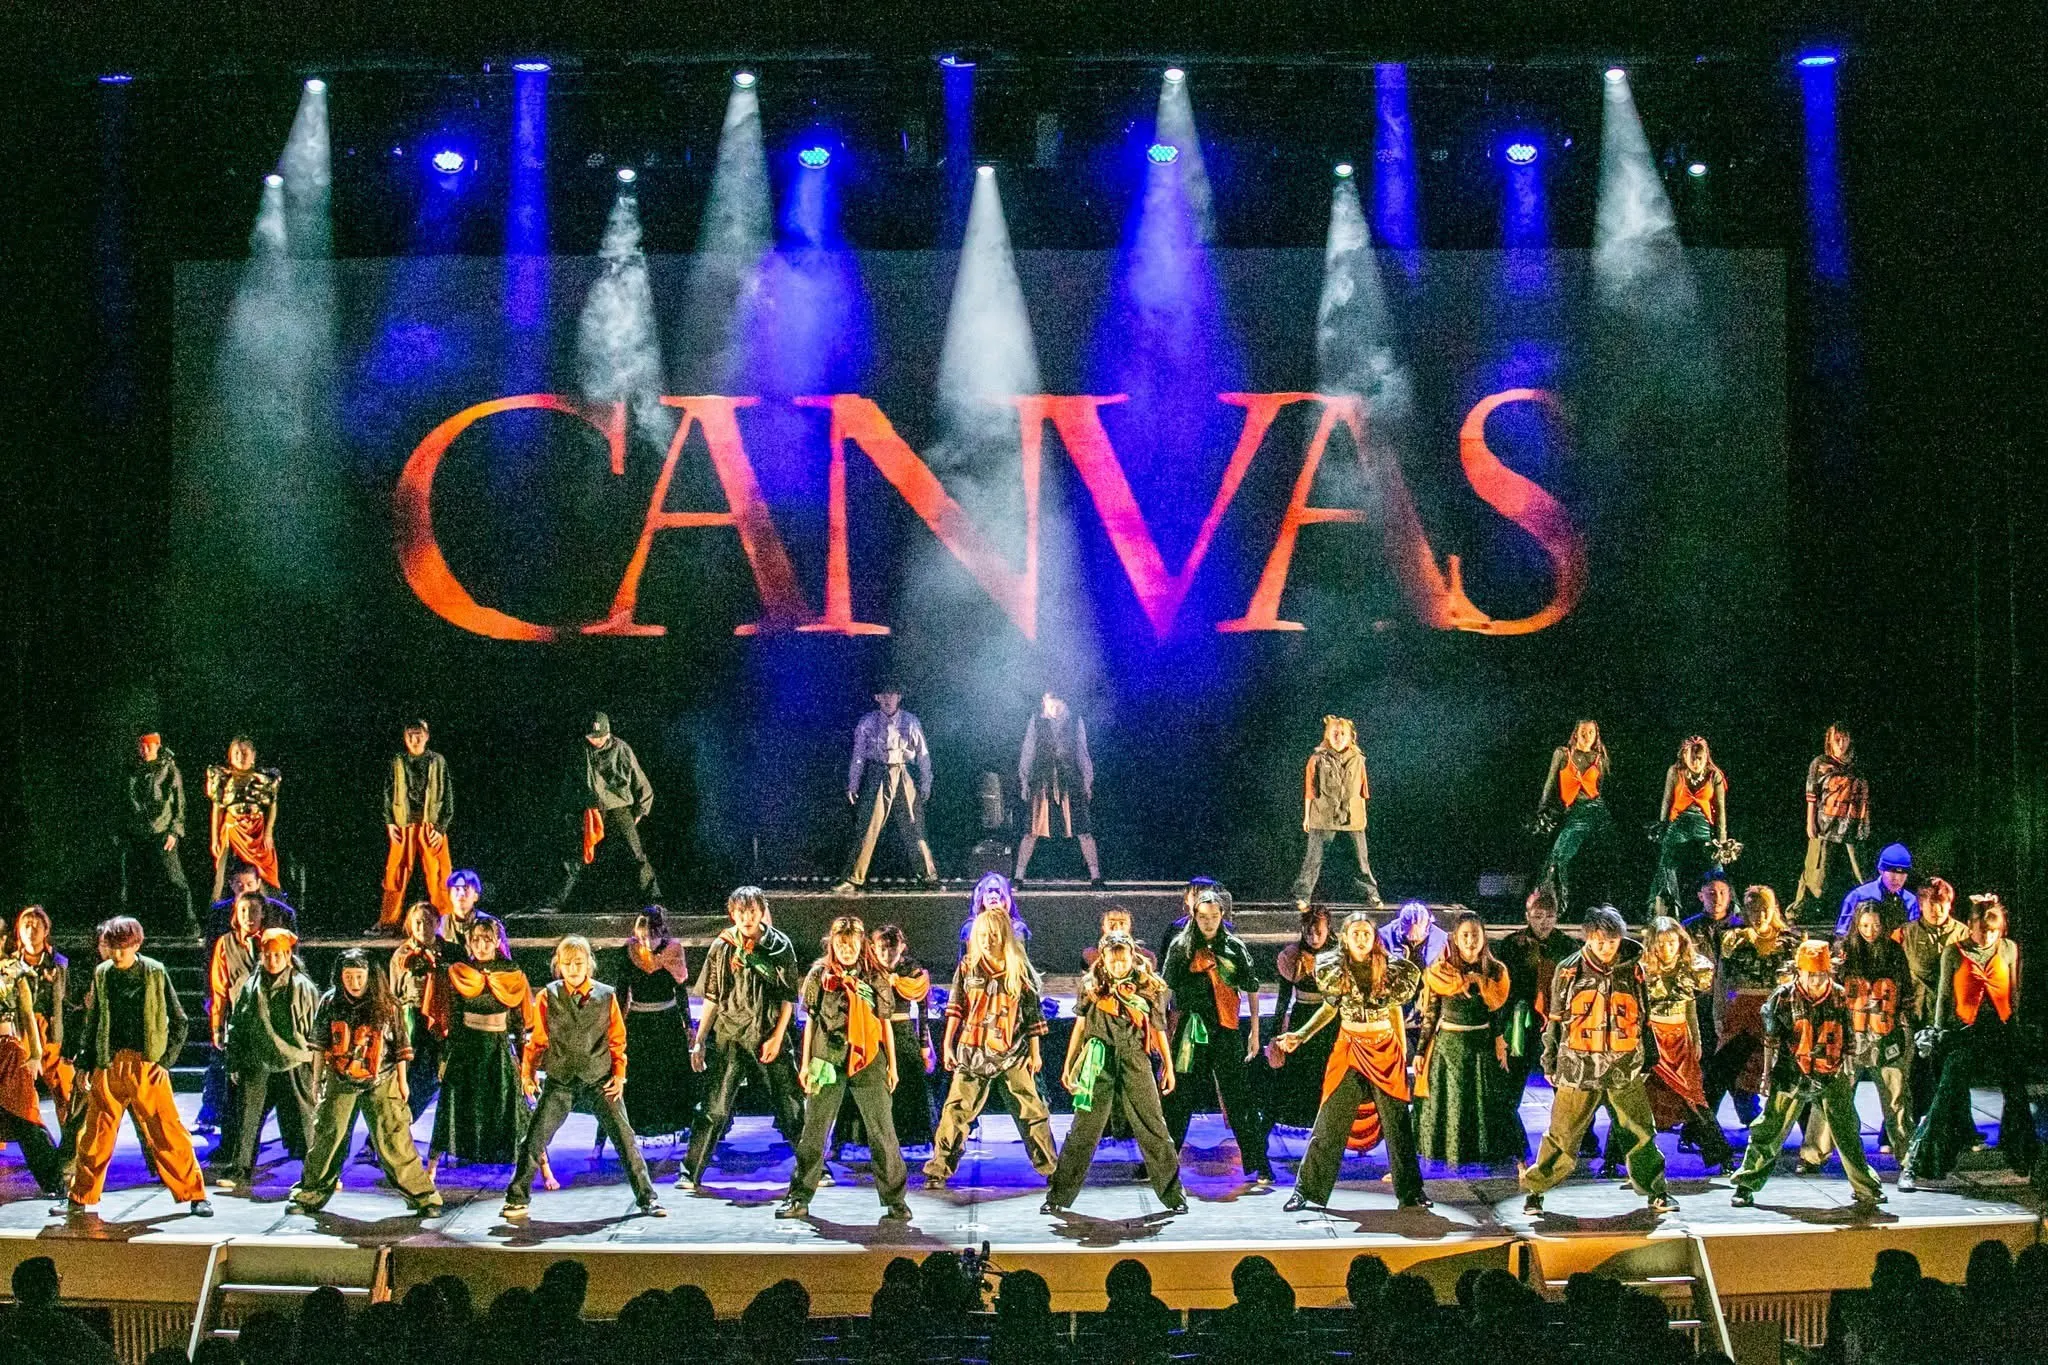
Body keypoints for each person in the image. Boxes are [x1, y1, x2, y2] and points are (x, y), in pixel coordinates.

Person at [1519, 906, 1675, 1217]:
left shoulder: (1634, 970)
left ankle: (1656, 1190)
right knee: (1562, 1134)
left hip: (1623, 1067)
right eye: (1599, 941)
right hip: (1579, 1068)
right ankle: (1535, 1191)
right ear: (1588, 938)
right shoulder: (1568, 970)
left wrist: (1649, 1057)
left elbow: (1644, 1017)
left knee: (1640, 1132)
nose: (1606, 948)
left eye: (1612, 942)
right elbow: (1555, 1019)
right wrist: (1549, 1061)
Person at [1274, 911, 1428, 1211]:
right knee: (1329, 1121)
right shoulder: (1334, 968)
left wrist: (1401, 1050)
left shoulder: (1390, 969)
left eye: (1366, 933)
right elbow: (1329, 1009)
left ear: (1374, 938)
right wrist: (1300, 1035)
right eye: (1355, 933)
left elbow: (1395, 1010)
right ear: (1344, 937)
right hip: (1350, 1050)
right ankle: (1306, 1190)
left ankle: (1412, 1191)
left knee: (1398, 1125)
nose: (1361, 938)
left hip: (1384, 1051)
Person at [58, 916, 212, 1216]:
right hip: (109, 1063)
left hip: (145, 1064)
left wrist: (164, 1062)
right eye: (112, 947)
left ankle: (195, 1194)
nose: (117, 954)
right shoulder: (103, 973)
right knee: (95, 1134)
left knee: (167, 1132)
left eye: (123, 948)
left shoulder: (154, 972)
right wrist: (86, 1063)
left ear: (136, 945)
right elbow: (94, 1021)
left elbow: (180, 1020)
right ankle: (80, 1196)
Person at [504, 936, 664, 1219]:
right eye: (567, 963)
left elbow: (617, 1040)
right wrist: (528, 1074)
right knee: (534, 1139)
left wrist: (619, 1075)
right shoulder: (548, 996)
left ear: (589, 963)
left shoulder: (606, 996)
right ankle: (517, 1198)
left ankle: (647, 1198)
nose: (573, 968)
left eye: (578, 962)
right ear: (559, 965)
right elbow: (537, 1041)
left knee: (625, 1140)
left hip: (599, 1078)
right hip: (561, 1079)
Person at [1729, 940, 1885, 1209]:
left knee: (1847, 1131)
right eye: (1810, 974)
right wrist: (1766, 1075)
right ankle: (1746, 1183)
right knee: (1770, 1129)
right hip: (1792, 1072)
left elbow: (1847, 1034)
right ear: (1799, 971)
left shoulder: (1838, 995)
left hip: (1831, 1071)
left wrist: (1847, 1066)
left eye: (1821, 974)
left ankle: (1866, 1187)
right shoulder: (1783, 997)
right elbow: (1771, 1040)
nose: (1816, 980)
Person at [288, 948, 442, 1214]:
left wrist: (403, 1082)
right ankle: (309, 1193)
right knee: (328, 1136)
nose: (354, 983)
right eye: (348, 976)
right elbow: (319, 1045)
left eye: (359, 976)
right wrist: (317, 1080)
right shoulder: (330, 1002)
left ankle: (424, 1197)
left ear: (369, 976)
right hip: (340, 1077)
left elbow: (401, 1047)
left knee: (394, 1139)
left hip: (382, 1077)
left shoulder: (387, 1005)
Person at [778, 916, 911, 1221]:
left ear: (861, 944)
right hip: (827, 1058)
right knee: (814, 1132)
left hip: (868, 1059)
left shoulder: (875, 976)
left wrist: (892, 1065)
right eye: (841, 945)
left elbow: (885, 1023)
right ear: (832, 944)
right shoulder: (819, 975)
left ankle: (896, 1200)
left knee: (883, 1133)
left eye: (851, 945)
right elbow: (811, 1021)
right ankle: (799, 1196)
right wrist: (805, 1064)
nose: (846, 950)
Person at [1044, 930, 1185, 1216]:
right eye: (1113, 960)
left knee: (1154, 1128)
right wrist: (1069, 1064)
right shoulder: (1091, 986)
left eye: (1124, 959)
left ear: (1133, 957)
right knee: (1083, 1131)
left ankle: (1174, 1196)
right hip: (1099, 1060)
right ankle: (1058, 1195)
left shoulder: (1148, 986)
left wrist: (1168, 1066)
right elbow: (1080, 1026)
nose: (1119, 965)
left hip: (1135, 1060)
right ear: (1103, 959)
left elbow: (1159, 1029)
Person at [1900, 895, 2036, 1188]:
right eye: (1982, 930)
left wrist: (2016, 1030)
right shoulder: (1954, 952)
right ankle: (1923, 1160)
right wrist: (1938, 1033)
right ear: (1971, 926)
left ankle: (2021, 1155)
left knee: (2016, 1089)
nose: (1987, 936)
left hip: (1999, 1030)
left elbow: (2014, 992)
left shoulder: (2009, 948)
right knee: (1948, 1088)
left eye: (1993, 931)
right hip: (1964, 1032)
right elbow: (1944, 996)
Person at [925, 904, 1058, 1187]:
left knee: (1032, 1111)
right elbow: (955, 1008)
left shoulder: (1019, 969)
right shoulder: (968, 967)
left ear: (1004, 936)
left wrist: (1035, 1053)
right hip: (973, 1050)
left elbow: (1033, 1014)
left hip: (1012, 1051)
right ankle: (938, 1169)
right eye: (983, 935)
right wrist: (947, 1044)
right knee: (956, 1112)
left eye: (993, 935)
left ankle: (1050, 1167)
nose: (987, 941)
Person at [682, 887, 804, 1189]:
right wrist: (700, 1039)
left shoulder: (779, 945)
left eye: (752, 911)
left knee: (789, 1104)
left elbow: (788, 997)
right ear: (732, 913)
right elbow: (712, 996)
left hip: (768, 1033)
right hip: (731, 1035)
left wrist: (778, 1037)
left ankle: (813, 1168)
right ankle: (691, 1171)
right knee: (714, 1106)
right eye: (741, 912)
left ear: (762, 912)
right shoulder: (722, 946)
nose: (747, 918)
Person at [1161, 885, 1273, 1186]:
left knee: (1239, 1099)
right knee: (1180, 1098)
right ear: (1194, 916)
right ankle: (1162, 1163)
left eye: (1213, 916)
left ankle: (1259, 1163)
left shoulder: (1234, 947)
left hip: (1226, 1030)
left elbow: (1251, 988)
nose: (1208, 922)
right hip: (1191, 1030)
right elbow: (1166, 990)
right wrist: (1161, 1030)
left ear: (1222, 915)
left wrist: (1254, 1033)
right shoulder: (1181, 947)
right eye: (1203, 917)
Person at [1802, 903, 1913, 1168]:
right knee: (1830, 1096)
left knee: (1896, 1099)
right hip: (1847, 1037)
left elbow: (1905, 994)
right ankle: (1812, 1154)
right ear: (1856, 925)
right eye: (1864, 925)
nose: (1870, 931)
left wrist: (1904, 1028)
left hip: (1885, 1035)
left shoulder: (1894, 952)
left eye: (1875, 925)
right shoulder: (1844, 951)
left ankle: (1908, 1154)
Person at [426, 915, 538, 1172]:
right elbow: (454, 1017)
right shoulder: (461, 971)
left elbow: (519, 1024)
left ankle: (540, 1168)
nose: (481, 945)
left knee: (512, 1108)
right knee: (451, 1107)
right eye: (475, 939)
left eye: (487, 940)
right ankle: (431, 1169)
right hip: (466, 1048)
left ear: (497, 941)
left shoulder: (511, 973)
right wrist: (446, 1056)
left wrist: (525, 1065)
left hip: (498, 1049)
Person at [211, 927, 319, 1189]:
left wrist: (319, 1069)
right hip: (257, 1060)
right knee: (248, 1118)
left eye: (278, 955)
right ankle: (240, 1169)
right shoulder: (251, 987)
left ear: (288, 956)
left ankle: (319, 1174)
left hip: (295, 1060)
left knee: (306, 1118)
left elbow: (315, 1030)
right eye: (267, 955)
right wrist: (234, 1061)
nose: (272, 960)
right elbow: (238, 1025)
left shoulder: (303, 987)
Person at [1414, 912, 1523, 1167]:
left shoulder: (1496, 972)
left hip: (1481, 1049)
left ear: (1484, 938)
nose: (1470, 941)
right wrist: (1419, 1051)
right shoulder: (1441, 971)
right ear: (1455, 938)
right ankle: (1450, 1153)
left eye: (1475, 935)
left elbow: (1498, 1013)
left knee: (1486, 1103)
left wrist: (1499, 1042)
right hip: (1447, 1050)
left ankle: (1486, 1153)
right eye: (1465, 935)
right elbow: (1431, 1014)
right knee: (1450, 1103)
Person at [1640, 917, 1734, 1171]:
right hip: (1653, 1038)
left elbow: (1690, 1007)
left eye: (1671, 942)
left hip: (1679, 1040)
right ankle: (1616, 1159)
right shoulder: (1642, 970)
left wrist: (1696, 1038)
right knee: (1638, 1099)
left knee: (1694, 1097)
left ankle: (1721, 1156)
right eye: (1660, 943)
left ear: (1680, 942)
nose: (1666, 949)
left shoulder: (1691, 969)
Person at [834, 923, 936, 1154]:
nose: (886, 954)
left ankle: (910, 1138)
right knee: (865, 1084)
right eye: (881, 948)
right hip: (872, 1031)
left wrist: (924, 1045)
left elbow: (923, 1011)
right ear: (873, 947)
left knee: (910, 1085)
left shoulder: (912, 971)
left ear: (902, 947)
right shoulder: (866, 968)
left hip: (902, 1030)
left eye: (892, 948)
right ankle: (855, 1139)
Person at [546, 712, 659, 911]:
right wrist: (566, 810)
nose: (596, 741)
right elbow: (569, 783)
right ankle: (555, 901)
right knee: (575, 856)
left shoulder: (621, 748)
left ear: (608, 733)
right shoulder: (580, 750)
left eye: (600, 737)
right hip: (590, 810)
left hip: (617, 807)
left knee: (635, 854)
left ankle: (654, 899)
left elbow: (639, 778)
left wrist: (641, 809)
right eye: (592, 737)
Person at [834, 682, 939, 894]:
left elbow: (923, 755)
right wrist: (853, 783)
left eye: (892, 694)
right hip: (878, 773)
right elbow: (858, 756)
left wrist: (926, 782)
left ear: (899, 697)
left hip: (903, 772)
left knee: (913, 824)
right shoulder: (868, 722)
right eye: (884, 695)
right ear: (877, 698)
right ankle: (853, 878)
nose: (888, 699)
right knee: (868, 825)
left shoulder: (910, 721)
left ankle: (929, 876)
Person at [1710, 886, 1796, 1125]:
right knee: (1727, 1069)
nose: (1760, 916)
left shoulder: (1788, 941)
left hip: (1776, 1011)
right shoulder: (1733, 940)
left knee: (1777, 1068)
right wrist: (1718, 1013)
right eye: (1754, 910)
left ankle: (1781, 1123)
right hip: (1742, 1011)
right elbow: (1721, 980)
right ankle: (1703, 1128)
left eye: (1764, 909)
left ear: (1773, 910)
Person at [1895, 876, 1968, 1122]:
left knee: (1952, 1074)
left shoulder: (1963, 933)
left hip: (1952, 1015)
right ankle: (1906, 1125)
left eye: (1942, 904)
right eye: (1931, 904)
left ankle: (1959, 1127)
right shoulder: (1905, 934)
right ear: (1921, 904)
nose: (1937, 910)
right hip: (1916, 1011)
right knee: (1913, 1073)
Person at [618, 906, 695, 1141]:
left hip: (667, 1022)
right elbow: (621, 992)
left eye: (651, 937)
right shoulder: (629, 952)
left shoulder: (673, 952)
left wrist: (688, 1024)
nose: (646, 943)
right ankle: (640, 1125)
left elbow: (680, 992)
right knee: (641, 1074)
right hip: (639, 1023)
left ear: (661, 933)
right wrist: (617, 1026)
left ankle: (673, 1124)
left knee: (668, 1073)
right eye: (641, 938)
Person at [1291, 715, 1380, 910]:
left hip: (1352, 817)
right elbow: (1310, 790)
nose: (1339, 737)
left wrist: (1362, 816)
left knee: (1360, 860)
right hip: (1323, 815)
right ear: (1327, 735)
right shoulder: (1317, 759)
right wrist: (1307, 816)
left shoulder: (1358, 760)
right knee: (1313, 859)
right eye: (1335, 733)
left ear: (1350, 737)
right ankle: (1302, 896)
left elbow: (1363, 790)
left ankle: (1371, 894)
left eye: (1343, 734)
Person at [1495, 887, 1568, 1121]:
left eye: (1549, 916)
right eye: (1538, 916)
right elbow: (1502, 988)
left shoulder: (1567, 946)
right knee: (1512, 1084)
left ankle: (1579, 1134)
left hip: (1556, 1022)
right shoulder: (1512, 944)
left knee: (1564, 1087)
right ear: (1527, 916)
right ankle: (1508, 1130)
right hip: (1521, 1022)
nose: (1544, 922)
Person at [1015, 690, 1101, 884]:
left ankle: (1095, 875)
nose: (1054, 707)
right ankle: (1018, 876)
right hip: (1043, 781)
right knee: (1031, 830)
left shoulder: (1075, 721)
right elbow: (1028, 751)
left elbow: (1082, 753)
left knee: (1083, 830)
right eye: (1050, 703)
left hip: (1070, 780)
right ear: (1044, 702)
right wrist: (1024, 781)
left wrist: (1087, 782)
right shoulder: (1037, 721)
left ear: (1063, 703)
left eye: (1057, 703)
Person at [205, 890, 267, 1161]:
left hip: (270, 1026)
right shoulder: (226, 944)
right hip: (240, 1026)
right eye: (243, 911)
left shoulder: (272, 941)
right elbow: (220, 989)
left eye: (254, 911)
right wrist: (218, 1026)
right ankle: (231, 1146)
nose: (248, 916)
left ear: (262, 914)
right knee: (234, 1090)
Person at [379, 719, 455, 933]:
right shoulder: (398, 761)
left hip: (431, 825)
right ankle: (388, 921)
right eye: (410, 735)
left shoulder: (437, 761)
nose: (415, 739)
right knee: (395, 873)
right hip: (404, 824)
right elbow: (388, 792)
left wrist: (441, 827)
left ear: (426, 736)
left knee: (439, 873)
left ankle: (446, 921)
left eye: (419, 734)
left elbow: (448, 794)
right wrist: (389, 822)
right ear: (405, 738)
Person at [1791, 724, 1870, 919]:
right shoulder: (1820, 763)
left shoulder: (1858, 765)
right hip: (1825, 823)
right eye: (1837, 740)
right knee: (1815, 873)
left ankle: (1869, 913)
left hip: (1852, 824)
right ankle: (1796, 913)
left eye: (1844, 739)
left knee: (1861, 872)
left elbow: (1865, 796)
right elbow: (1811, 794)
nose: (1841, 744)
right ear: (1830, 741)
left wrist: (1864, 823)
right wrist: (1810, 822)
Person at [1266, 906, 1335, 1131]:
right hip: (1302, 1015)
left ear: (1328, 929)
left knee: (1327, 1066)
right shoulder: (1292, 956)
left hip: (1331, 1019)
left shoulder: (1339, 955)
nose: (1313, 938)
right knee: (1301, 1068)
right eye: (1308, 933)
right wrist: (1275, 1033)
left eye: (1318, 933)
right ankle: (1299, 1118)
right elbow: (1283, 998)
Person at [0, 947, 63, 1192]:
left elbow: (27, 1013)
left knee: (25, 1116)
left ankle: (54, 1182)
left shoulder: (14, 971)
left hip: (6, 1051)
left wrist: (36, 1054)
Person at [1534, 720, 1612, 915]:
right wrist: (1542, 809)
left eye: (1591, 732)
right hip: (1573, 811)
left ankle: (1555, 906)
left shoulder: (1599, 758)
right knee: (1556, 856)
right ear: (1576, 733)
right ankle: (1547, 905)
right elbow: (1549, 783)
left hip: (1594, 810)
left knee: (1560, 855)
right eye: (1583, 732)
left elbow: (1602, 788)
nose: (1587, 736)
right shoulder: (1562, 754)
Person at [1648, 736, 1729, 921]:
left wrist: (1722, 840)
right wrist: (1662, 826)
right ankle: (1667, 909)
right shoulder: (1675, 772)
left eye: (1700, 758)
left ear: (1706, 757)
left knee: (1716, 865)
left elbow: (1720, 809)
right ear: (1684, 755)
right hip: (1679, 823)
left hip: (1703, 824)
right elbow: (1667, 800)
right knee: (1667, 862)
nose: (1696, 763)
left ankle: (1730, 910)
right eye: (1692, 758)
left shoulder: (1714, 775)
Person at [123, 731, 196, 935]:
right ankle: (135, 928)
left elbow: (180, 803)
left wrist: (175, 831)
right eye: (142, 746)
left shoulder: (168, 769)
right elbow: (124, 802)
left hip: (162, 831)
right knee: (136, 881)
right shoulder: (131, 769)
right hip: (137, 832)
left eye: (149, 745)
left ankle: (188, 923)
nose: (145, 750)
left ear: (157, 745)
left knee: (174, 879)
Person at [9, 907, 73, 1125]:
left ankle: (71, 1142)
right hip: (21, 1031)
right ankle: (32, 1139)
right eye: (26, 925)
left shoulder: (59, 963)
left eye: (37, 925)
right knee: (17, 1091)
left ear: (46, 931)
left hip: (51, 1030)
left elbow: (67, 1000)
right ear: (18, 930)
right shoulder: (10, 965)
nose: (31, 930)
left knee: (67, 1090)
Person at [0, 1257, 120, 1365]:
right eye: (56, 1279)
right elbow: (108, 1360)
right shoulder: (67, 1327)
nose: (58, 1285)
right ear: (48, 1287)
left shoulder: (8, 1327)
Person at [204, 736, 282, 898]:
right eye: (236, 753)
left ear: (253, 756)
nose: (240, 757)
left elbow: (272, 806)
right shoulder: (223, 778)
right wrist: (215, 839)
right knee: (224, 872)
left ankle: (270, 906)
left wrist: (268, 833)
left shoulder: (264, 778)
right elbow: (217, 809)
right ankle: (221, 906)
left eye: (245, 753)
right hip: (232, 830)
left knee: (265, 871)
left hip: (256, 831)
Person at [390, 901, 441, 1121]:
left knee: (431, 1077)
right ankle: (395, 1125)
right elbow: (394, 994)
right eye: (417, 922)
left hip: (438, 1019)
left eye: (428, 921)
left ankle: (405, 1119)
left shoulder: (449, 951)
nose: (422, 927)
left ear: (438, 923)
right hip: (411, 1020)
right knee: (409, 1075)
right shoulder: (401, 954)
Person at [1835, 843, 1919, 940]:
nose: (1897, 878)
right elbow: (1842, 935)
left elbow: (1913, 936)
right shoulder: (1858, 896)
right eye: (1892, 871)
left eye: (1903, 873)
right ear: (1880, 870)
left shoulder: (1911, 901)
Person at [1379, 900, 1446, 970]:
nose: (1413, 941)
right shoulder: (1383, 936)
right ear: (1400, 925)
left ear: (1428, 925)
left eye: (1418, 938)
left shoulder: (1441, 939)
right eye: (1409, 937)